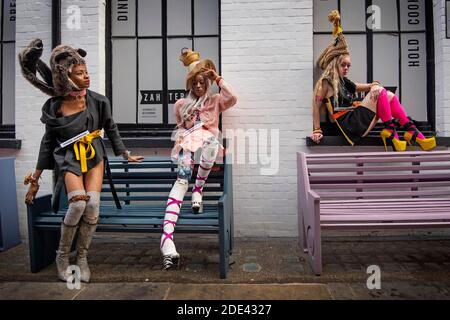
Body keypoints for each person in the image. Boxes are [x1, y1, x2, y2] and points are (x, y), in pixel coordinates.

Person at [19, 39, 143, 282]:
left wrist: (125, 154)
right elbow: (48, 141)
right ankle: (63, 255)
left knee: (93, 205)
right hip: (68, 158)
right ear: (66, 77)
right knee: (77, 205)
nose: (86, 77)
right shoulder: (55, 106)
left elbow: (111, 127)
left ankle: (83, 257)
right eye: (79, 73)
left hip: (95, 155)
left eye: (86, 72)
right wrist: (36, 175)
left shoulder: (98, 100)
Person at [311, 10, 436, 152]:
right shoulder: (326, 82)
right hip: (351, 125)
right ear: (335, 64)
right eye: (343, 65)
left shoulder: (345, 82)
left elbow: (364, 86)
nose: (346, 68)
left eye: (348, 65)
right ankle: (391, 129)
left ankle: (410, 130)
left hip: (357, 120)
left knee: (389, 95)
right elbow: (316, 105)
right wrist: (317, 130)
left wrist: (374, 84)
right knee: (381, 91)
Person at [160, 48, 237, 270]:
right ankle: (167, 240)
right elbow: (180, 129)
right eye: (195, 82)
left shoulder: (214, 101)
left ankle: (199, 190)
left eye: (203, 82)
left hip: (207, 145)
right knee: (181, 180)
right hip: (187, 147)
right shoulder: (181, 105)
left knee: (212, 144)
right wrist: (181, 141)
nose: (199, 86)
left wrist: (218, 78)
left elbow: (233, 98)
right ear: (190, 84)